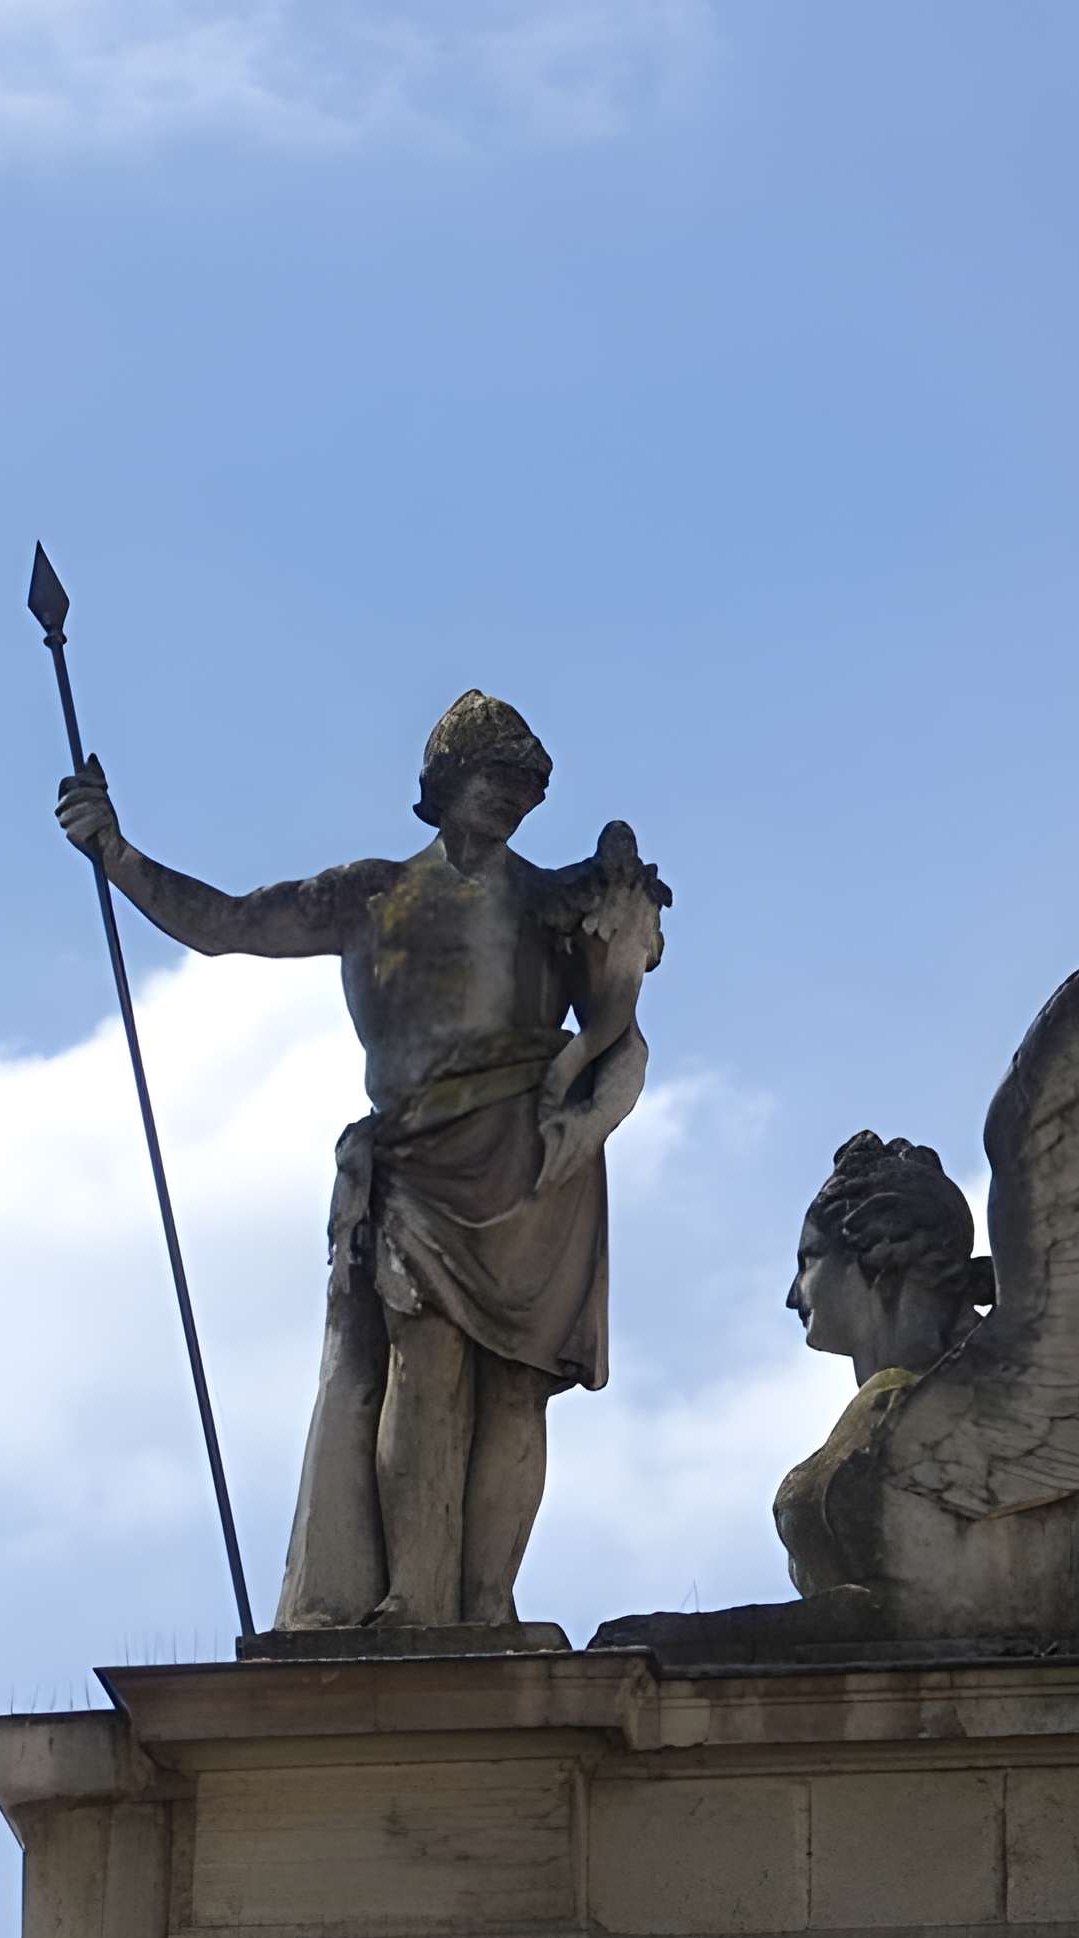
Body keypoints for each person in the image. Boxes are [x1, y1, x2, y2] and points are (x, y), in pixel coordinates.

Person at [55, 691, 665, 1627]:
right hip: (421, 1156)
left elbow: (622, 1031)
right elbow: (226, 923)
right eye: (499, 780)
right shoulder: (374, 893)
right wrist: (117, 852)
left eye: (529, 790)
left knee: (518, 1389)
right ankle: (415, 1601)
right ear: (447, 780)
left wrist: (592, 1115)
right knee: (423, 1369)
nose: (515, 803)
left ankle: (489, 1607)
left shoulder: (553, 904)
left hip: (534, 1156)